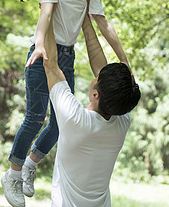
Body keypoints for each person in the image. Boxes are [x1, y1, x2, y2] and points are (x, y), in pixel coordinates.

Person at [1, 0, 131, 207]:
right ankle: (12, 173)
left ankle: (30, 163)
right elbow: (45, 16)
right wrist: (39, 45)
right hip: (44, 51)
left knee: (60, 125)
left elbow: (103, 25)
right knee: (35, 116)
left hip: (68, 55)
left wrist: (124, 59)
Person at [43, 13, 140, 206]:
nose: (95, 76)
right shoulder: (121, 121)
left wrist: (49, 12)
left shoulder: (75, 119)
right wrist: (85, 22)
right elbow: (109, 82)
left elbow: (51, 65)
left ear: (96, 95)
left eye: (97, 79)